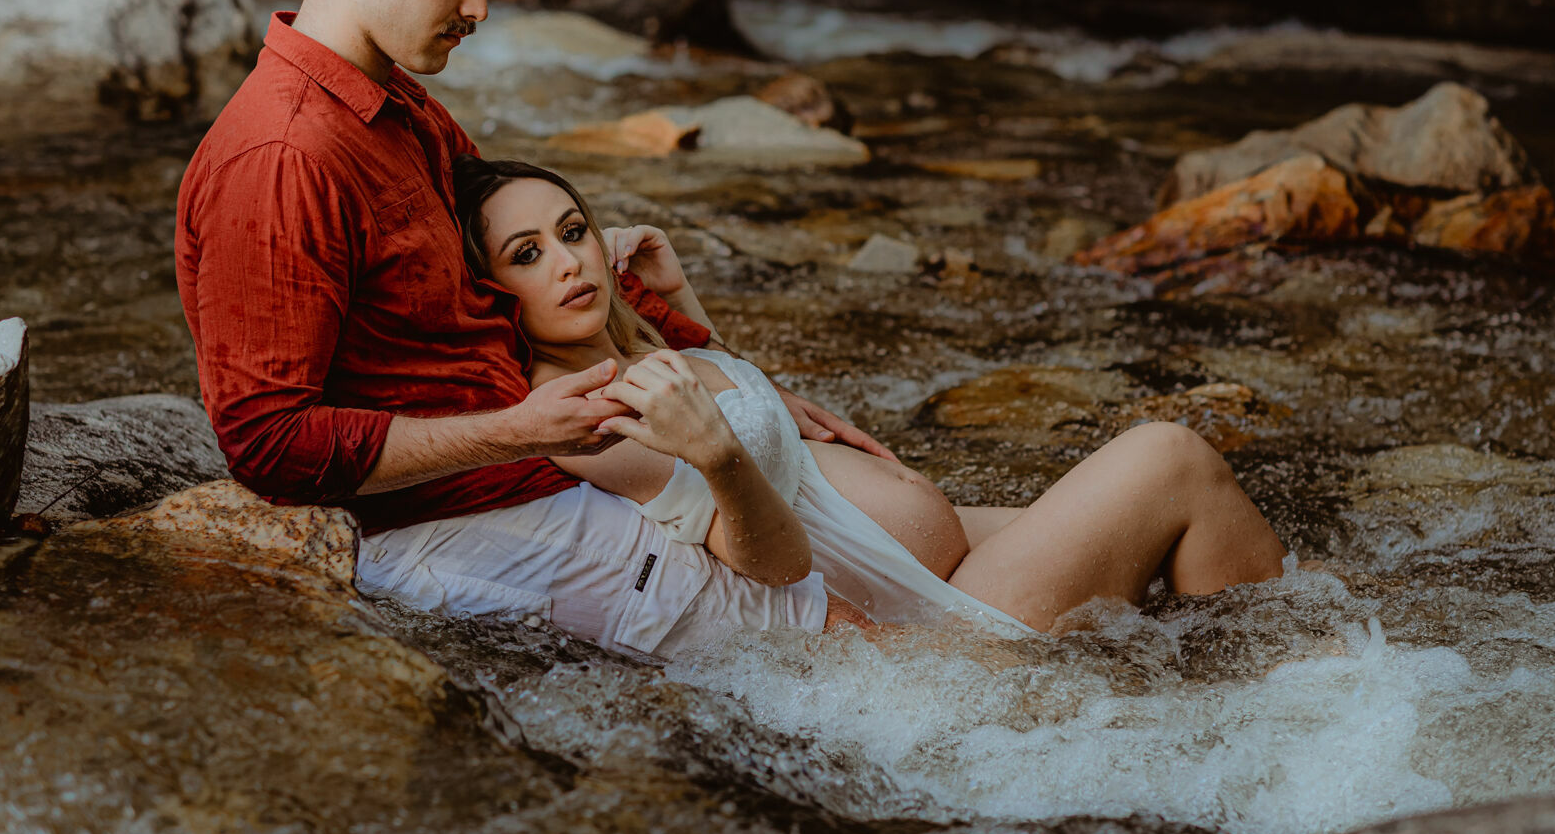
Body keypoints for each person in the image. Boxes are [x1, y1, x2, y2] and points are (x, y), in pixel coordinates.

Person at [175, 0, 883, 660]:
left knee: (873, 590)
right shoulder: (284, 157)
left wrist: (721, 369)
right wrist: (517, 430)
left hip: (548, 466)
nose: (478, 9)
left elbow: (527, 251)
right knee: (846, 640)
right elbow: (269, 442)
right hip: (461, 517)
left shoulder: (397, 104)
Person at [453, 158, 1289, 637]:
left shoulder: (633, 340)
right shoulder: (578, 413)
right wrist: (711, 453)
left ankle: (1291, 670)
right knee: (1170, 457)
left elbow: (747, 410)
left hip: (947, 553)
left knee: (1214, 540)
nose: (568, 262)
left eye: (571, 232)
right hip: (939, 611)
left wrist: (684, 301)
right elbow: (770, 560)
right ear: (489, 290)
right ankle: (1312, 683)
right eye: (527, 254)